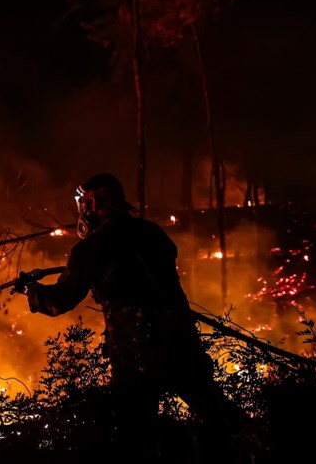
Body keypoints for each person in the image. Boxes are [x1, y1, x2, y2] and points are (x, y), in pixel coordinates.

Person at [22, 172, 243, 456]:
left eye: (82, 201)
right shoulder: (152, 233)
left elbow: (59, 301)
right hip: (180, 339)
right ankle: (246, 450)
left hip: (136, 352)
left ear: (91, 204)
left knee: (136, 435)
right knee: (214, 414)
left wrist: (32, 290)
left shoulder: (89, 249)